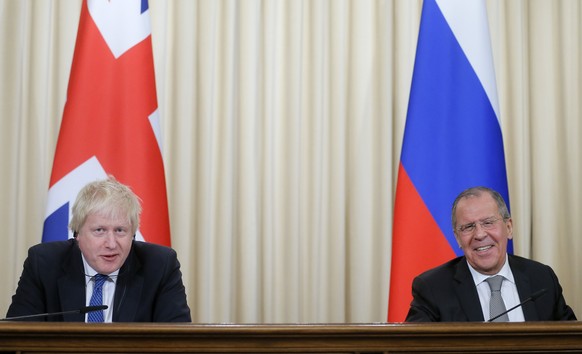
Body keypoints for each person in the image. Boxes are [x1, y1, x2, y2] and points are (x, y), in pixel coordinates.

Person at [6, 177, 191, 322]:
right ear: (77, 233)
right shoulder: (44, 263)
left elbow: (177, 341)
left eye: (120, 230)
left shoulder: (160, 265)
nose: (111, 243)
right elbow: (17, 336)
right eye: (99, 230)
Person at [405, 186, 576, 322]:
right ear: (457, 238)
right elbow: (413, 347)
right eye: (468, 227)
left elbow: (571, 341)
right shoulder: (433, 288)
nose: (479, 234)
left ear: (509, 228)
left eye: (488, 222)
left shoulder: (542, 279)